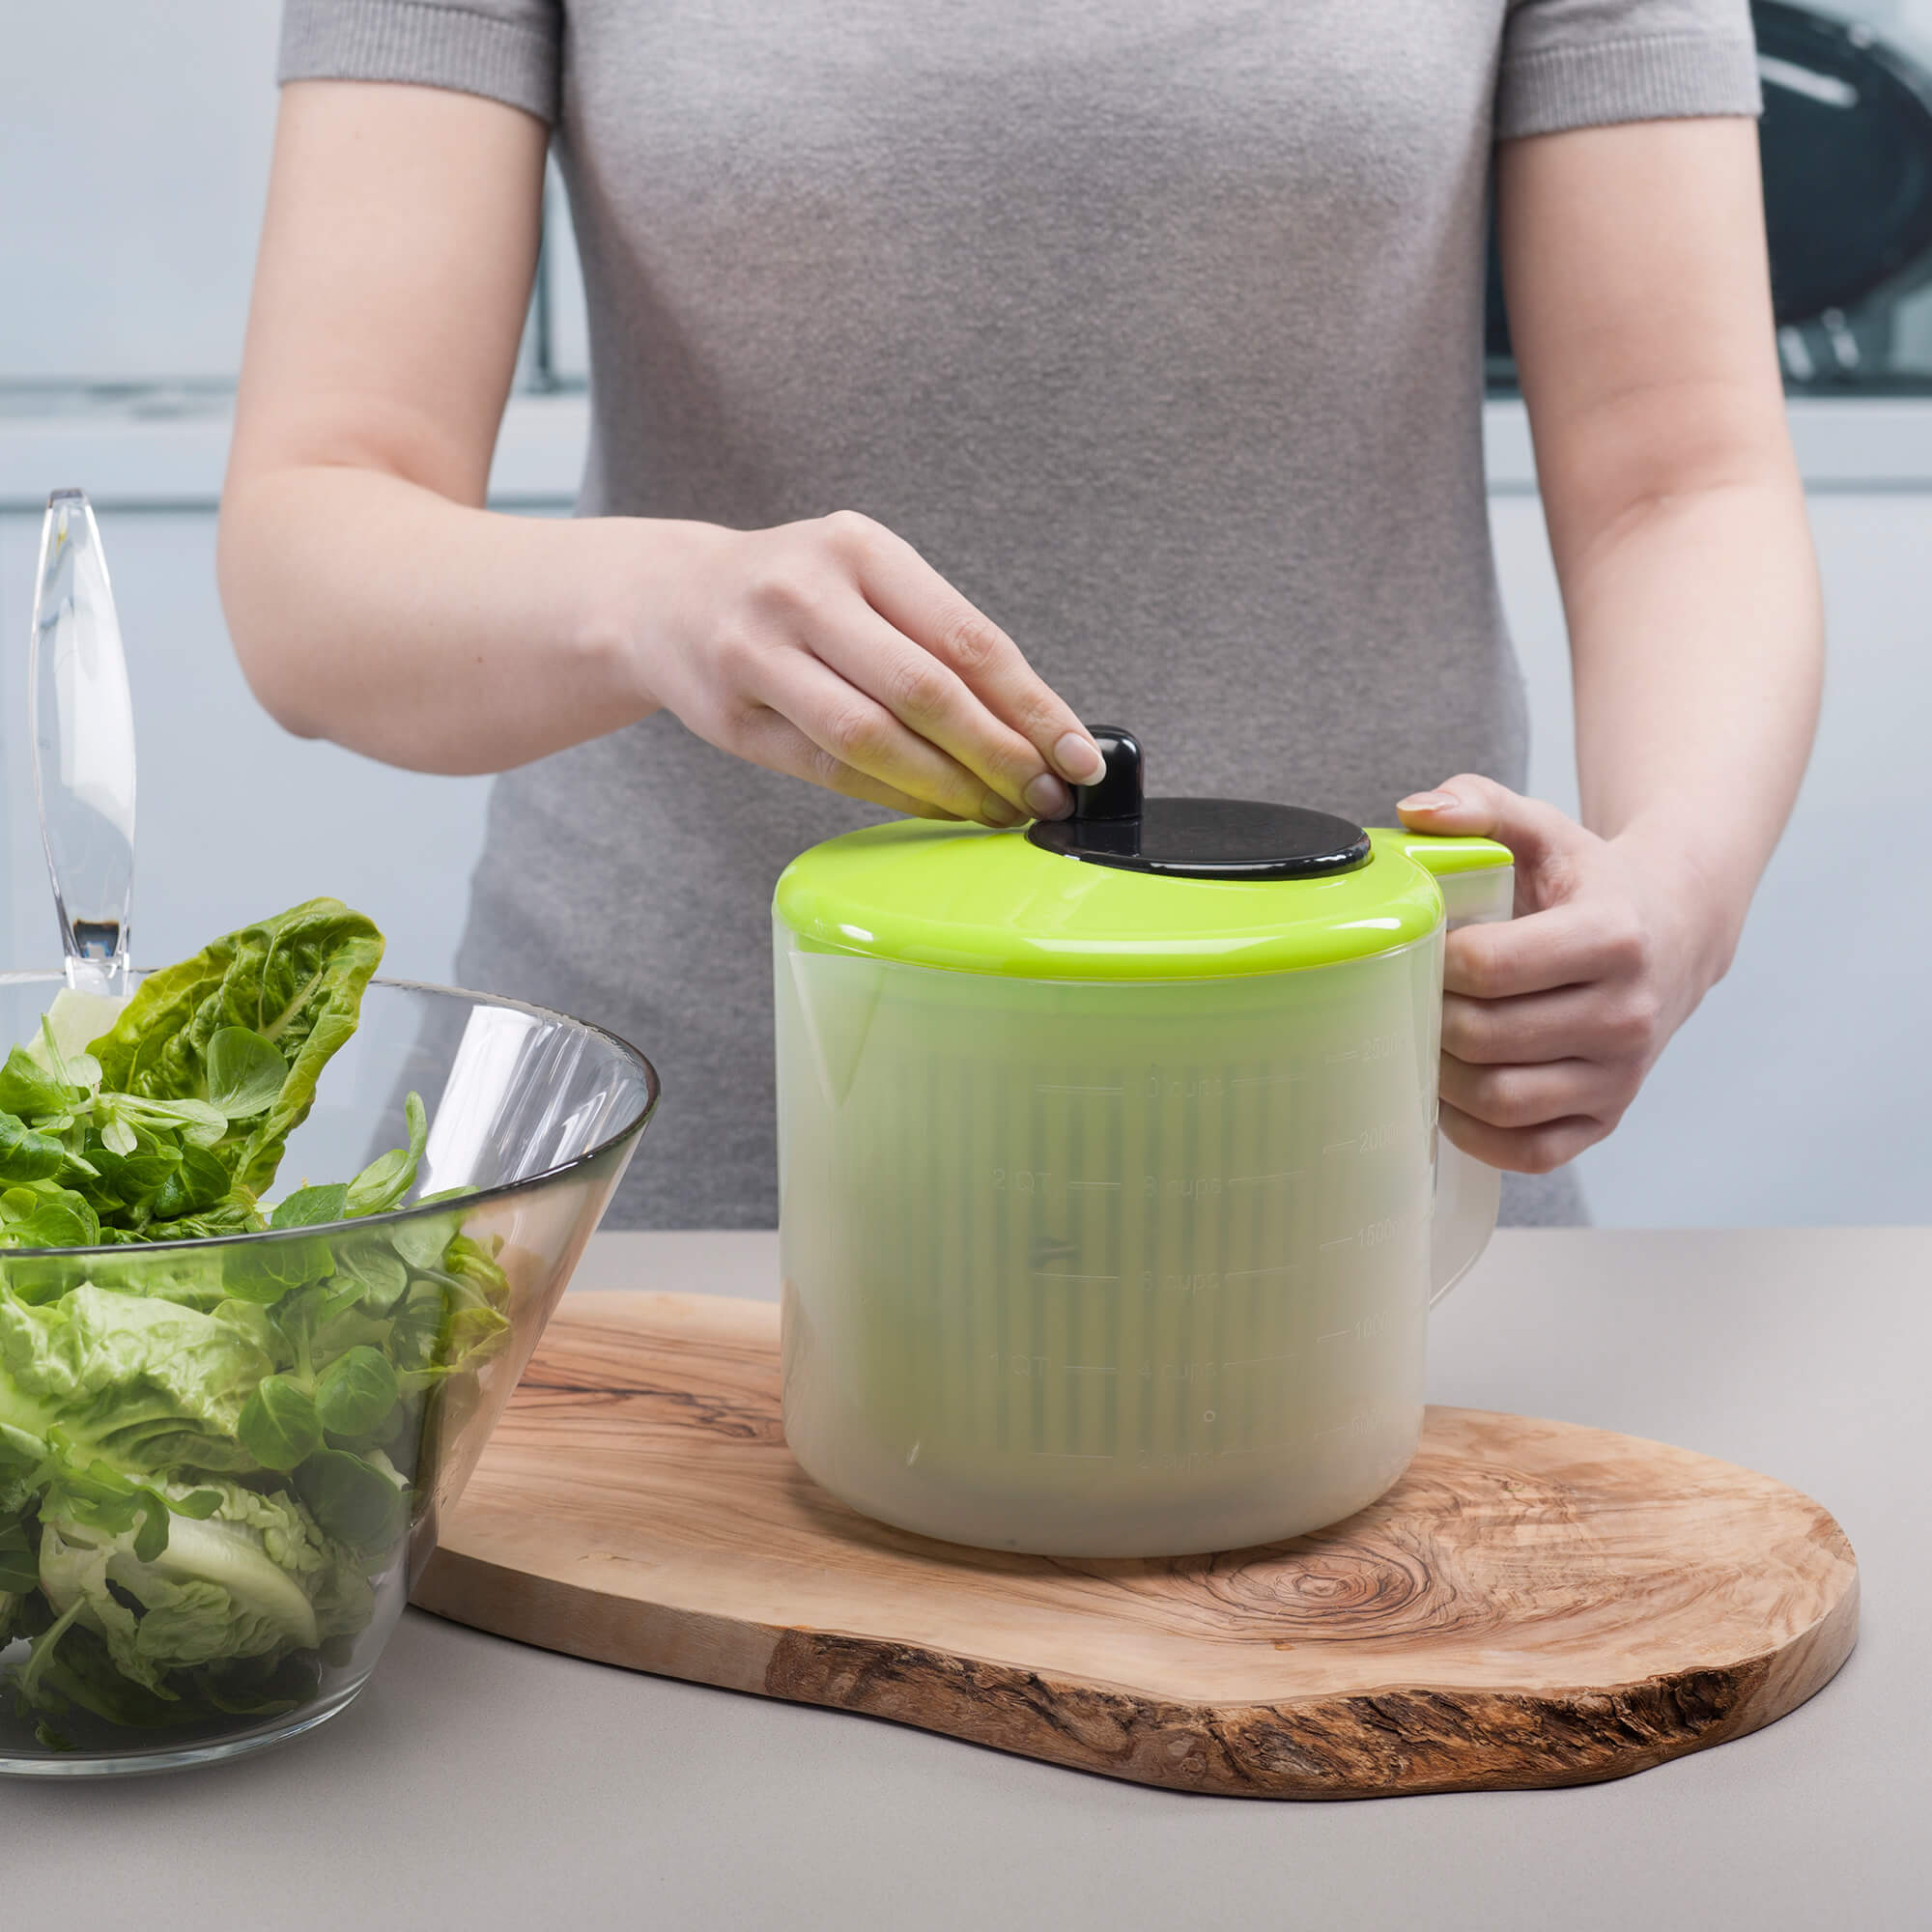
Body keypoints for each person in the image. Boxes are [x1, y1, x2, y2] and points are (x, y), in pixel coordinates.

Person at [221, 0, 1823, 1230]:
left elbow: (1678, 482)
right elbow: (311, 555)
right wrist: (658, 599)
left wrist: (1678, 890)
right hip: (673, 1177)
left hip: (1365, 1165)